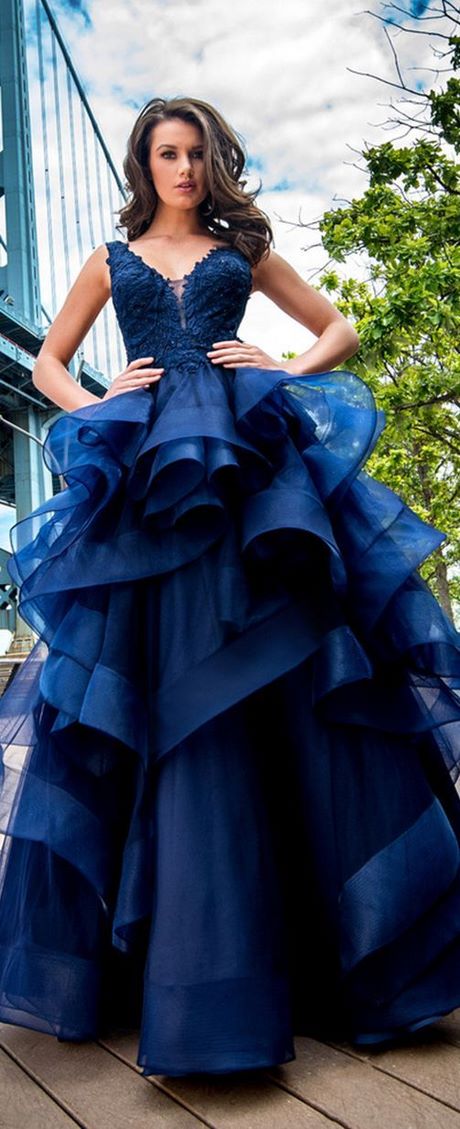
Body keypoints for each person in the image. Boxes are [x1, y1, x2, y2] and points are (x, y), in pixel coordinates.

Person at [0, 94, 459, 1080]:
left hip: (250, 477)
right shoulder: (107, 261)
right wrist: (93, 401)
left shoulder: (239, 251)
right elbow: (46, 361)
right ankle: (170, 973)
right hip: (147, 480)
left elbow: (338, 327)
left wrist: (284, 364)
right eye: (166, 153)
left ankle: (311, 961)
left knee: (284, 683)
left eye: (195, 153)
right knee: (152, 688)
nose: (182, 168)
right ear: (142, 164)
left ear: (213, 162)